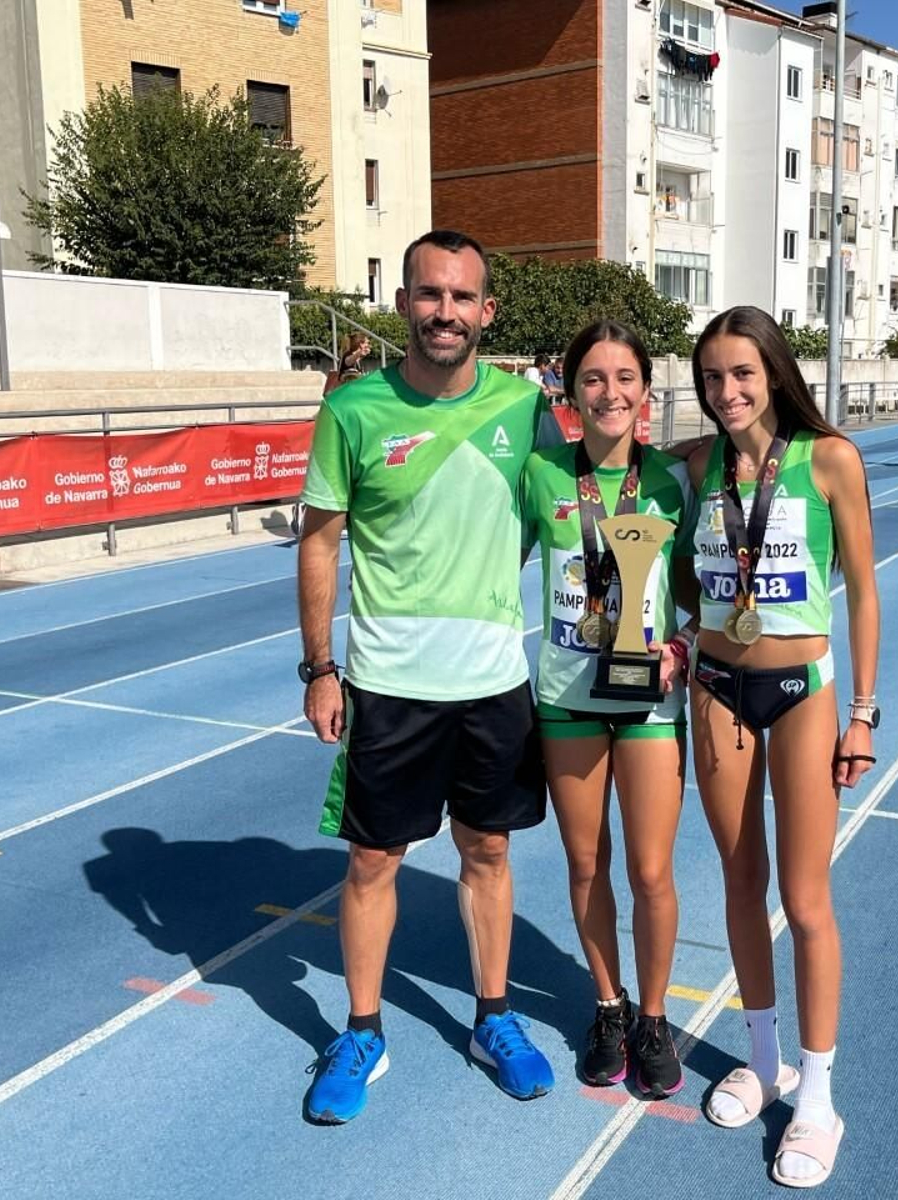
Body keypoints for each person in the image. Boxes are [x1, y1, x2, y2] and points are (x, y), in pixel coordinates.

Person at [295, 229, 565, 1124]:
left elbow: (573, 508)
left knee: (488, 851)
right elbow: (321, 541)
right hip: (388, 683)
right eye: (428, 293)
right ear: (404, 302)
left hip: (491, 683)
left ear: (487, 311)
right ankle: (362, 1030)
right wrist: (321, 668)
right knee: (374, 860)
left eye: (461, 297)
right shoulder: (354, 411)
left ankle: (494, 1017)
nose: (444, 312)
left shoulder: (526, 410)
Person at [682, 306, 881, 1189]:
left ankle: (820, 1097)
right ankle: (765, 1064)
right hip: (717, 688)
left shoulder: (829, 458)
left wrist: (864, 714)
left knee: (805, 897)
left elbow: (866, 595)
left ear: (773, 371)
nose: (726, 393)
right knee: (737, 880)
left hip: (804, 692)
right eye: (712, 378)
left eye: (741, 375)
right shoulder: (693, 468)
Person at [521, 319, 693, 1100]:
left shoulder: (670, 482)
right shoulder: (542, 475)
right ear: (567, 389)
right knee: (586, 864)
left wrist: (682, 650)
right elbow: (491, 567)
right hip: (566, 699)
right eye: (592, 377)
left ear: (646, 392)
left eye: (625, 378)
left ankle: (654, 1018)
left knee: (651, 871)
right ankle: (609, 1007)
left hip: (648, 702)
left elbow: (706, 594)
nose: (609, 392)